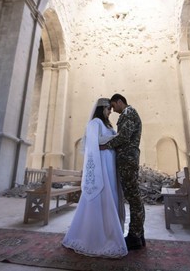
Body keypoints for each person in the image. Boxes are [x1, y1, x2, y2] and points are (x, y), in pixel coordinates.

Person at [61, 98, 128, 258]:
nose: (110, 112)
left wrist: (114, 140)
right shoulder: (95, 123)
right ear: (101, 109)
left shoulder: (106, 125)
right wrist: (115, 139)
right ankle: (94, 237)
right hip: (101, 166)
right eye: (108, 109)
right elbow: (94, 142)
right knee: (102, 196)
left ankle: (110, 233)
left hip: (110, 165)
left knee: (111, 195)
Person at [100, 93, 145, 250]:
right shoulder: (129, 113)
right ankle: (138, 233)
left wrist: (106, 145)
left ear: (119, 102)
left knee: (133, 197)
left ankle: (135, 236)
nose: (113, 109)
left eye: (113, 105)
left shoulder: (128, 113)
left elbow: (124, 136)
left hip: (128, 159)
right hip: (128, 158)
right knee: (134, 196)